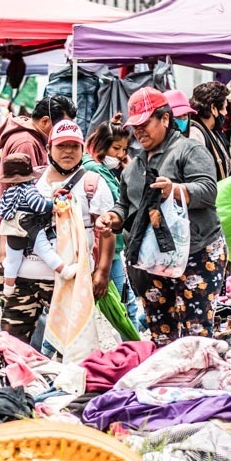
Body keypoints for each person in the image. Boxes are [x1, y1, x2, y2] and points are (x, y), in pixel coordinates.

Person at [95, 87, 226, 347]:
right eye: (136, 125)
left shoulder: (189, 150)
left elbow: (209, 190)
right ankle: (168, 385)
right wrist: (111, 216)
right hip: (152, 262)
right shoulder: (133, 167)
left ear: (165, 119)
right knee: (161, 333)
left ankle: (196, 385)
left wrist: (176, 190)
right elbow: (126, 205)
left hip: (197, 254)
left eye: (146, 123)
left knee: (194, 333)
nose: (139, 131)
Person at [1, 120, 115, 344]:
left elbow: (108, 232)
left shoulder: (92, 183)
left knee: (69, 346)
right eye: (62, 146)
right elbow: (9, 218)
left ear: (83, 149)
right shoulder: (29, 181)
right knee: (13, 345)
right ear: (48, 149)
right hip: (24, 279)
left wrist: (102, 271)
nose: (68, 152)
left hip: (69, 280)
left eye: (74, 146)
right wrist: (5, 258)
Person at [82, 118, 145, 330]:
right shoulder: (94, 169)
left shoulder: (106, 169)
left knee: (124, 305)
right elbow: (121, 201)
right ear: (101, 145)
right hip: (104, 245)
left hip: (113, 245)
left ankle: (133, 346)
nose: (120, 154)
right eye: (116, 148)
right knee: (122, 306)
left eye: (124, 149)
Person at [0, 153, 76, 297]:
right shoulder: (29, 189)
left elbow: (1, 212)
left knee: (13, 259)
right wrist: (52, 206)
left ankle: (8, 286)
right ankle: (64, 270)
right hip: (30, 227)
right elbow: (37, 204)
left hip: (12, 230)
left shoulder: (7, 192)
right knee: (45, 250)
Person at [0, 95, 76, 184]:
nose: (65, 131)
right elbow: (29, 188)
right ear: (44, 121)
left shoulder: (34, 137)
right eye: (61, 127)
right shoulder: (26, 143)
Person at [188, 81, 231, 181]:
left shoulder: (212, 131)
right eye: (224, 108)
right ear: (213, 108)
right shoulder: (195, 135)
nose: (225, 113)